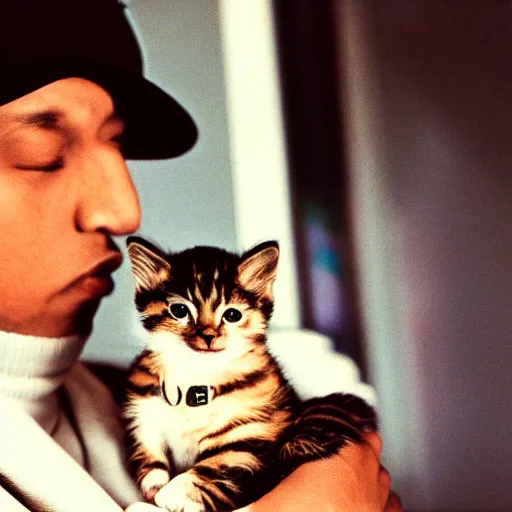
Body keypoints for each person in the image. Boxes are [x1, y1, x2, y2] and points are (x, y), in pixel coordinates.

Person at [0, 0, 402, 511]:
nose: (124, 212)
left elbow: (317, 369)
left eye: (118, 147)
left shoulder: (122, 394)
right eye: (44, 156)